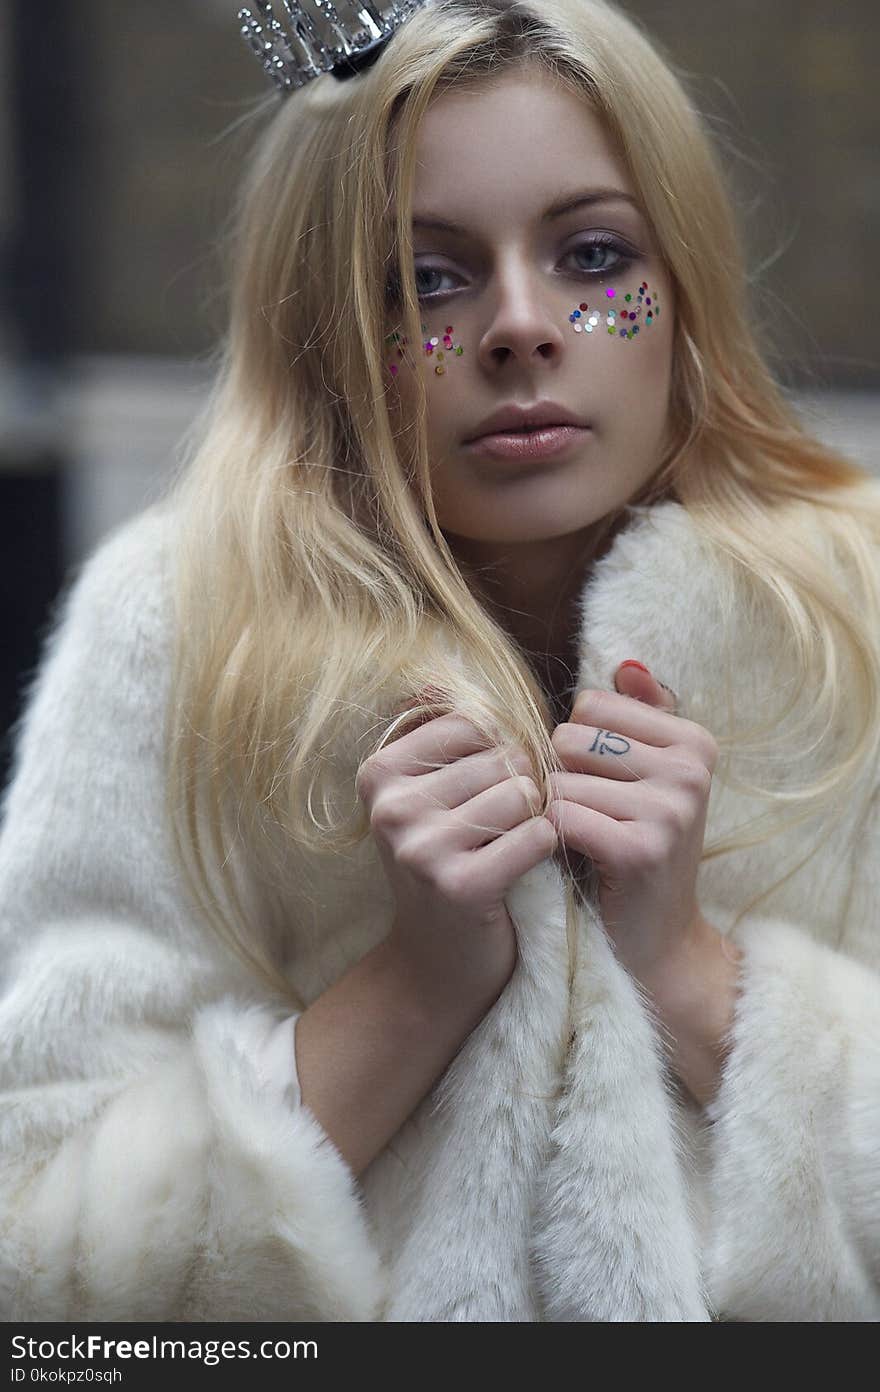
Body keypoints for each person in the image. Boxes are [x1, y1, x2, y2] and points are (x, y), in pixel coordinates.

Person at [1, 0, 879, 1323]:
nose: (523, 328)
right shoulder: (175, 636)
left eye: (593, 256)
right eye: (428, 277)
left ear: (683, 280)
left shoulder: (850, 615)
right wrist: (414, 987)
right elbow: (47, 1278)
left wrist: (692, 971)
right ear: (321, 326)